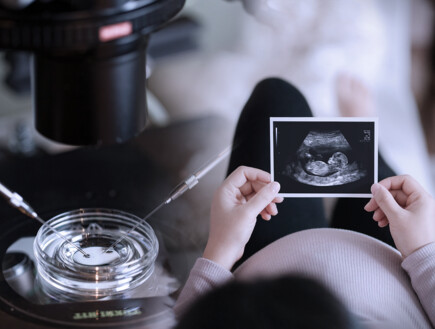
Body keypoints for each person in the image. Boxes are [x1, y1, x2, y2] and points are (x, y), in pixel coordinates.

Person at [173, 78, 435, 329]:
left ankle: (360, 137)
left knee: (276, 95)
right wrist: (425, 251)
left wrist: (220, 250)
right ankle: (362, 136)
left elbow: (193, 321)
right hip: (395, 257)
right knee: (375, 173)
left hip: (264, 257)